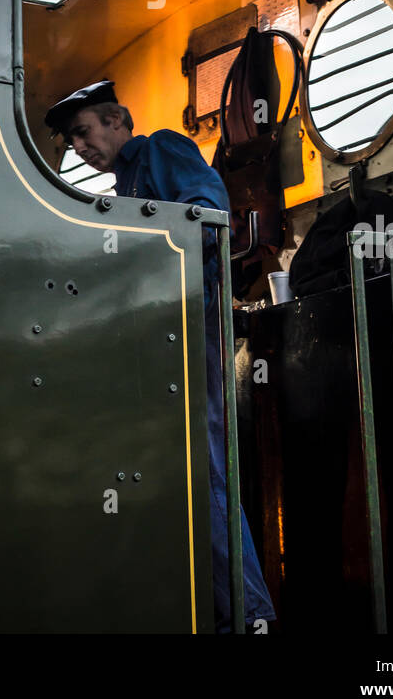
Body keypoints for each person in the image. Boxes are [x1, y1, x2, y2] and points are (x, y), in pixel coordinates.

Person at [45, 79, 275, 633]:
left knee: (207, 472)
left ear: (119, 120)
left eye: (83, 132)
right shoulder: (123, 184)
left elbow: (206, 216)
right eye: (72, 141)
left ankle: (250, 614)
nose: (78, 148)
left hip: (191, 326)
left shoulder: (161, 148)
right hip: (160, 335)